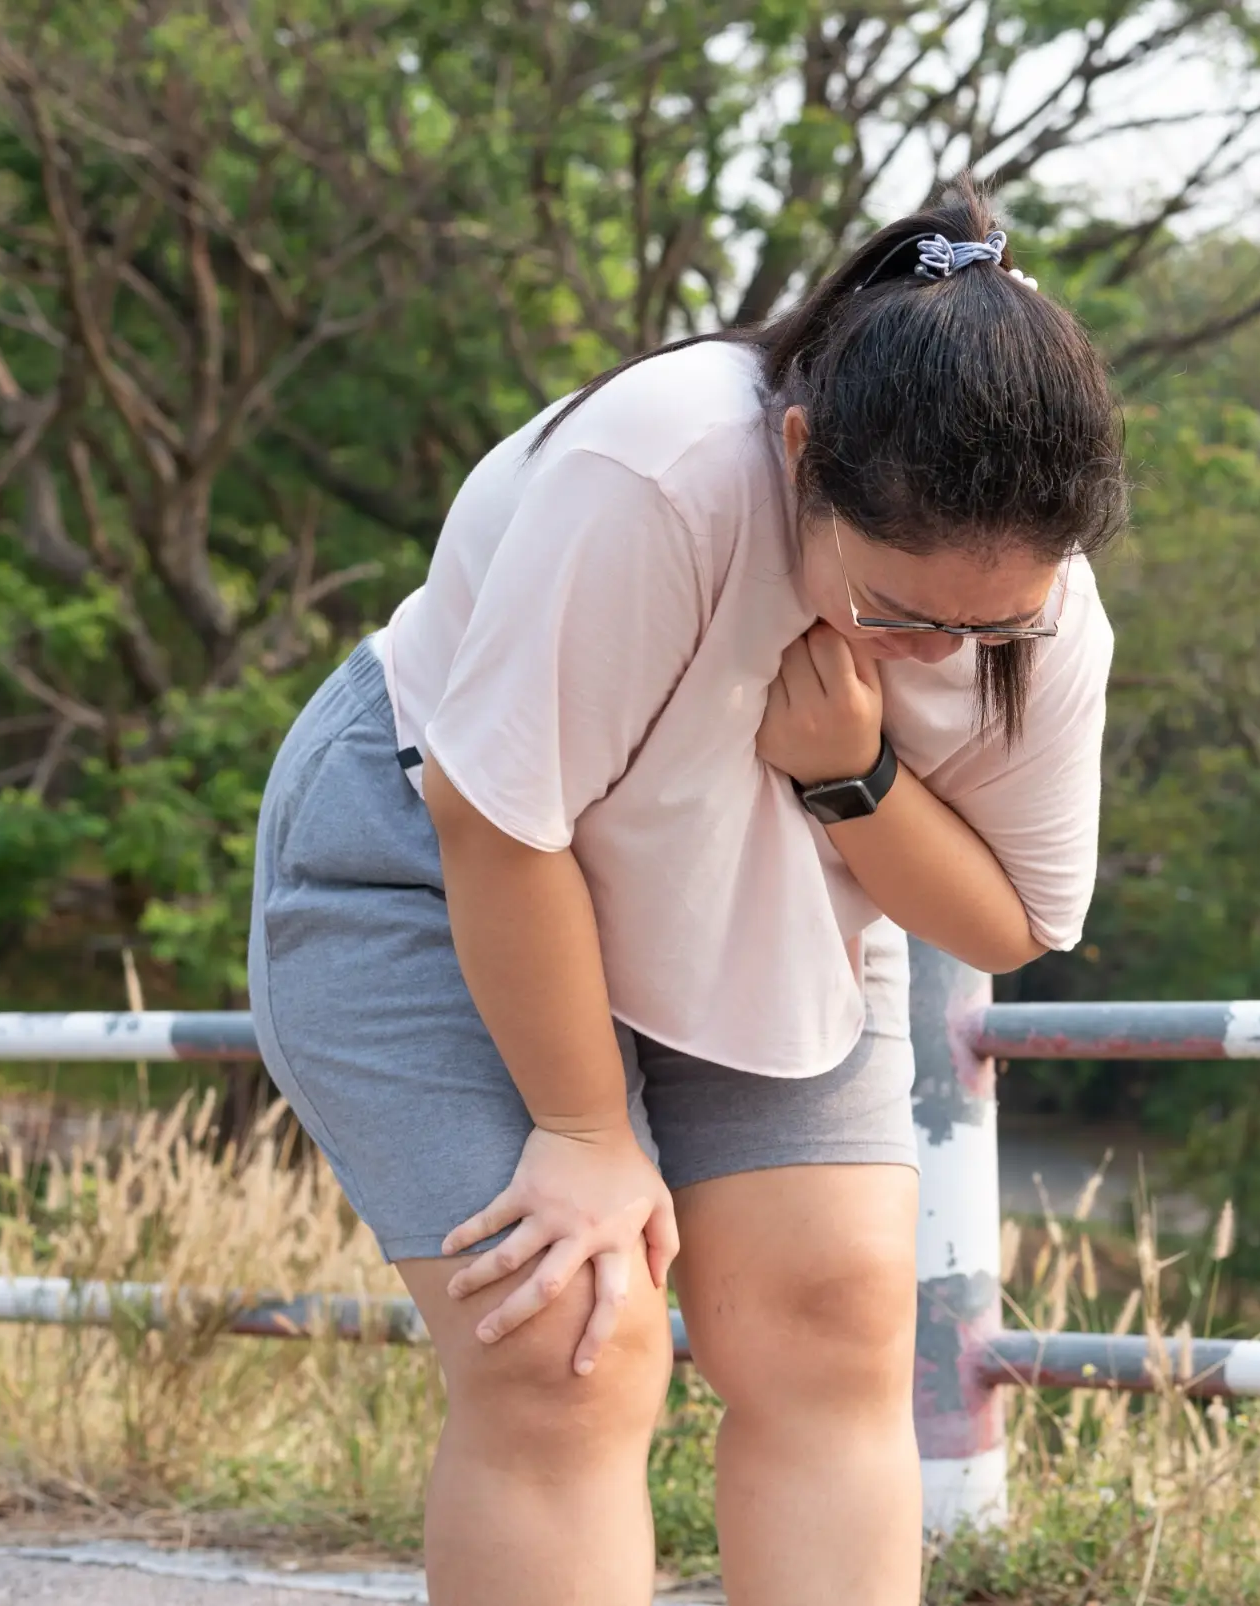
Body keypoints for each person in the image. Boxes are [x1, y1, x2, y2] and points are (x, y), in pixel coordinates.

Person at [247, 181, 1124, 1606]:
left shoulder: (1046, 609)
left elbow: (1010, 919)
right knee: (571, 1344)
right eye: (899, 609)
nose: (935, 650)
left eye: (988, 622)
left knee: (833, 1326)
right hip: (436, 858)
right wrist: (585, 1130)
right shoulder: (660, 467)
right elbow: (491, 809)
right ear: (799, 454)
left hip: (765, 900)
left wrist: (856, 776)